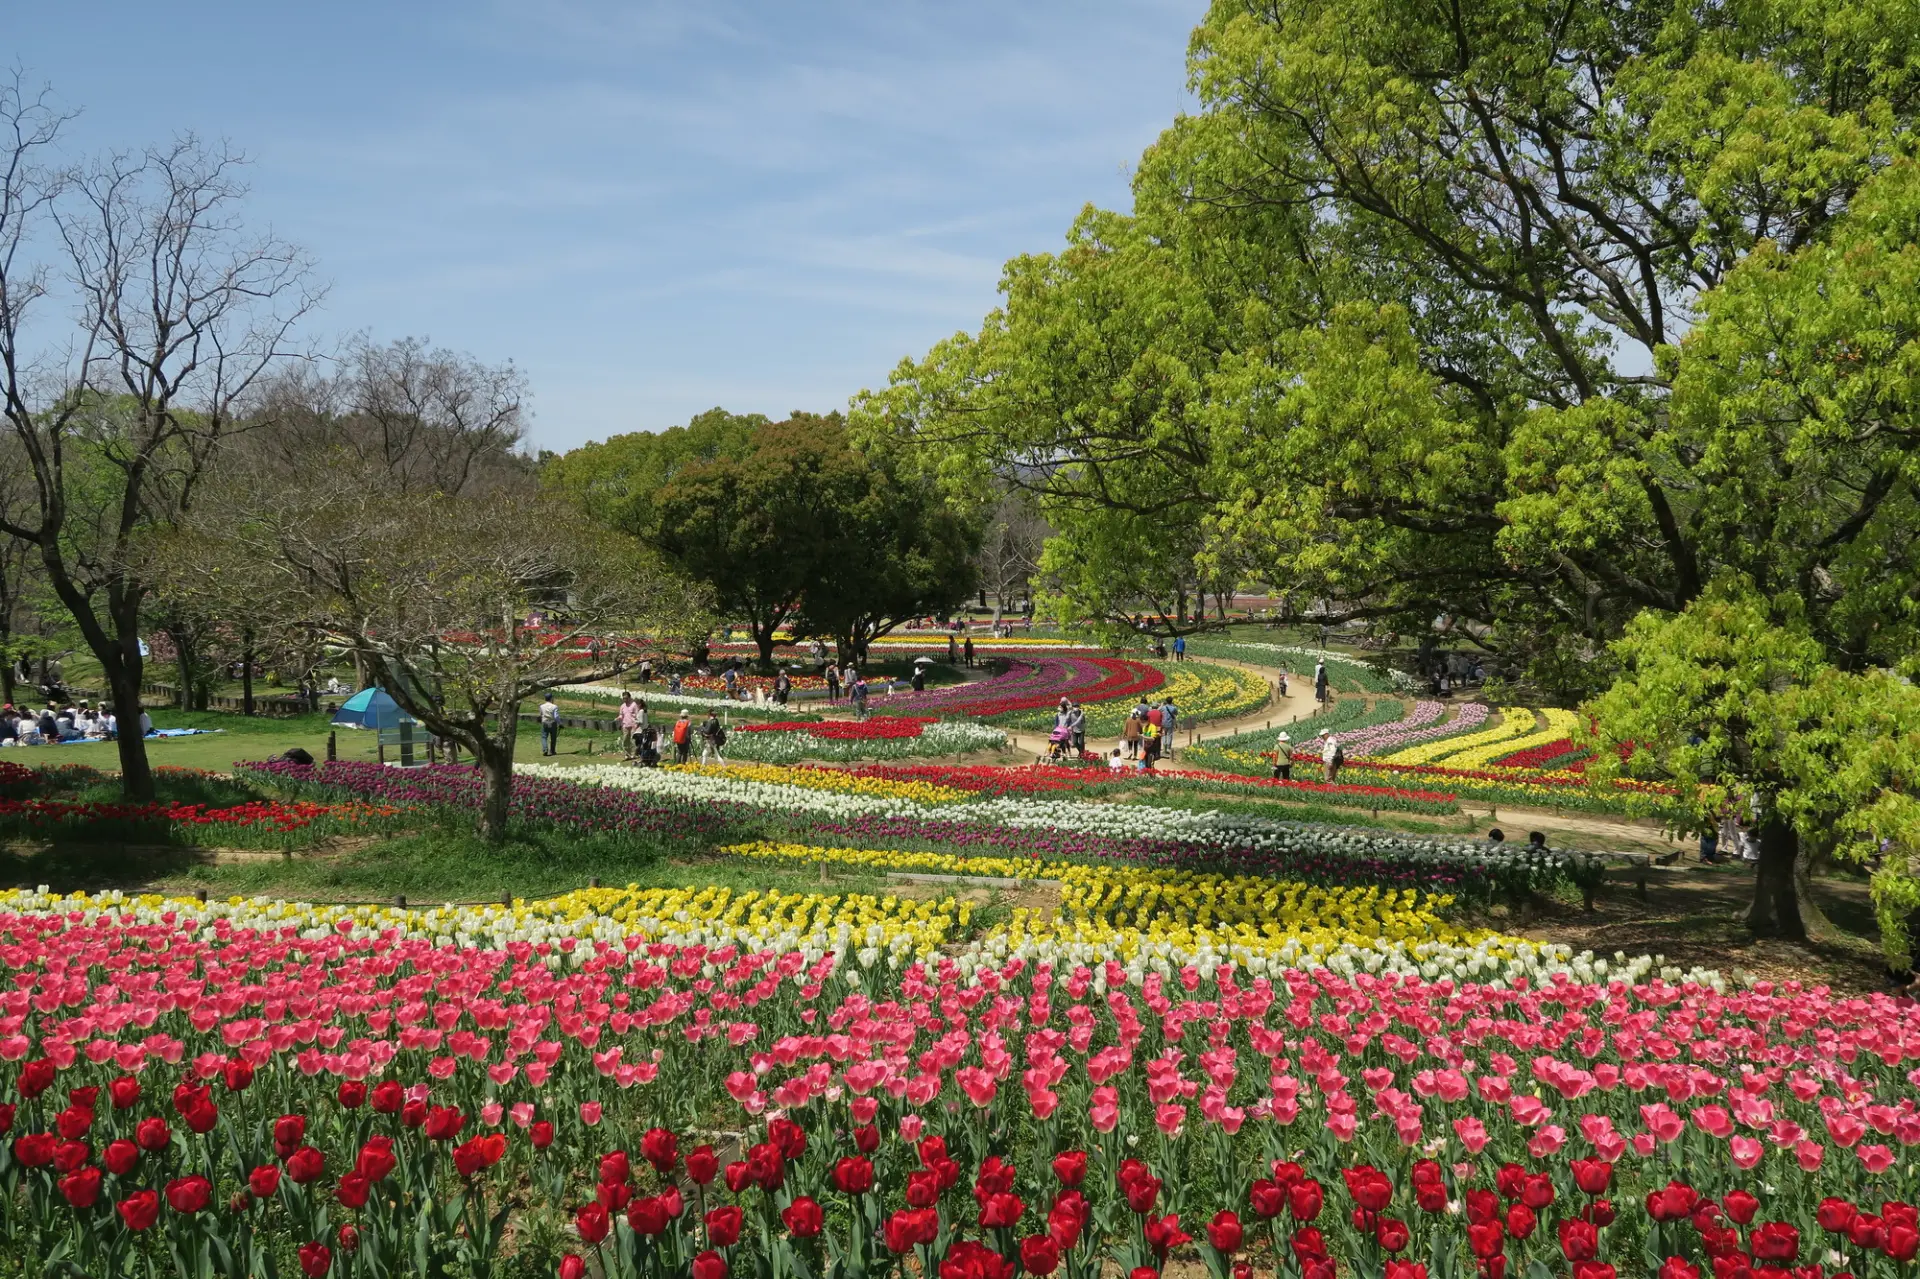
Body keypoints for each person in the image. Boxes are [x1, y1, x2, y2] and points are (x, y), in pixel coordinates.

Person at [616, 692, 642, 757]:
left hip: (633, 725)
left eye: (626, 698)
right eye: (624, 698)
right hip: (625, 725)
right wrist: (618, 718)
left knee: (633, 740)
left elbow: (637, 715)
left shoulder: (634, 705)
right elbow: (621, 715)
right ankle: (627, 754)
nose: (625, 700)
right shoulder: (622, 706)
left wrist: (637, 724)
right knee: (625, 740)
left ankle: (634, 754)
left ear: (629, 698)